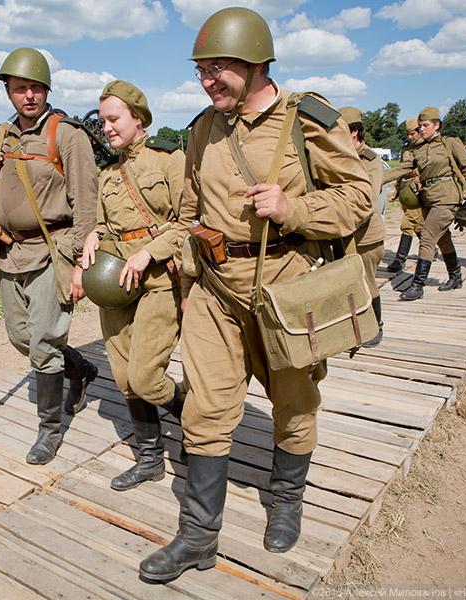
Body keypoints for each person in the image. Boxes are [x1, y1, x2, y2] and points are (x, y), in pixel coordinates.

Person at [137, 7, 372, 583]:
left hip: (289, 289)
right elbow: (190, 213)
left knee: (294, 404)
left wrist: (296, 208)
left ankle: (286, 499)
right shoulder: (201, 129)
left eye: (218, 68)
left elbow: (360, 196)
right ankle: (197, 537)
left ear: (255, 62)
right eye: (201, 70)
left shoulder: (306, 119)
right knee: (206, 410)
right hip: (217, 292)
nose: (207, 79)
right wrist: (189, 283)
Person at [0, 48, 99, 465]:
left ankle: (48, 431)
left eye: (35, 88)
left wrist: (78, 259)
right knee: (21, 337)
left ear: (46, 89)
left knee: (45, 341)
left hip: (52, 251)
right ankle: (80, 369)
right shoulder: (3, 135)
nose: (28, 96)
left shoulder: (67, 134)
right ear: (8, 92)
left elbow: (86, 200)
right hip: (9, 252)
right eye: (20, 89)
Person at [80, 80, 186, 491]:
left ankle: (190, 414)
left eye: (114, 119)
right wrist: (94, 235)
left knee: (145, 377)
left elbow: (188, 221)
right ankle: (149, 459)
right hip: (116, 285)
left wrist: (150, 252)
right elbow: (108, 223)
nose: (106, 128)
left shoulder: (168, 161)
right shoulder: (108, 172)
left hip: (159, 280)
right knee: (124, 378)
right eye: (103, 121)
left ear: (137, 118)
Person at [383, 108, 466, 301]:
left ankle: (417, 285)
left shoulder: (450, 143)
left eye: (425, 126)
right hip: (428, 198)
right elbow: (404, 168)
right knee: (442, 238)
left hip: (447, 197)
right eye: (420, 126)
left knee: (428, 236)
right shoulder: (418, 149)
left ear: (437, 125)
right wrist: (377, 179)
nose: (421, 129)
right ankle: (456, 276)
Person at [339, 107, 386, 347]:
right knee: (348, 283)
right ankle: (353, 328)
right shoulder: (339, 157)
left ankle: (376, 325)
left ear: (355, 132)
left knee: (366, 281)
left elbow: (368, 197)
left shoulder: (369, 159)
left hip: (366, 234)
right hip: (343, 234)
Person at [385, 119, 425, 273]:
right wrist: (396, 190)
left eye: (412, 133)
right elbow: (402, 171)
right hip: (405, 191)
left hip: (418, 192)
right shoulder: (406, 150)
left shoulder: (426, 149)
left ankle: (400, 260)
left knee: (408, 224)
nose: (409, 137)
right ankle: (430, 245)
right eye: (407, 134)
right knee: (417, 224)